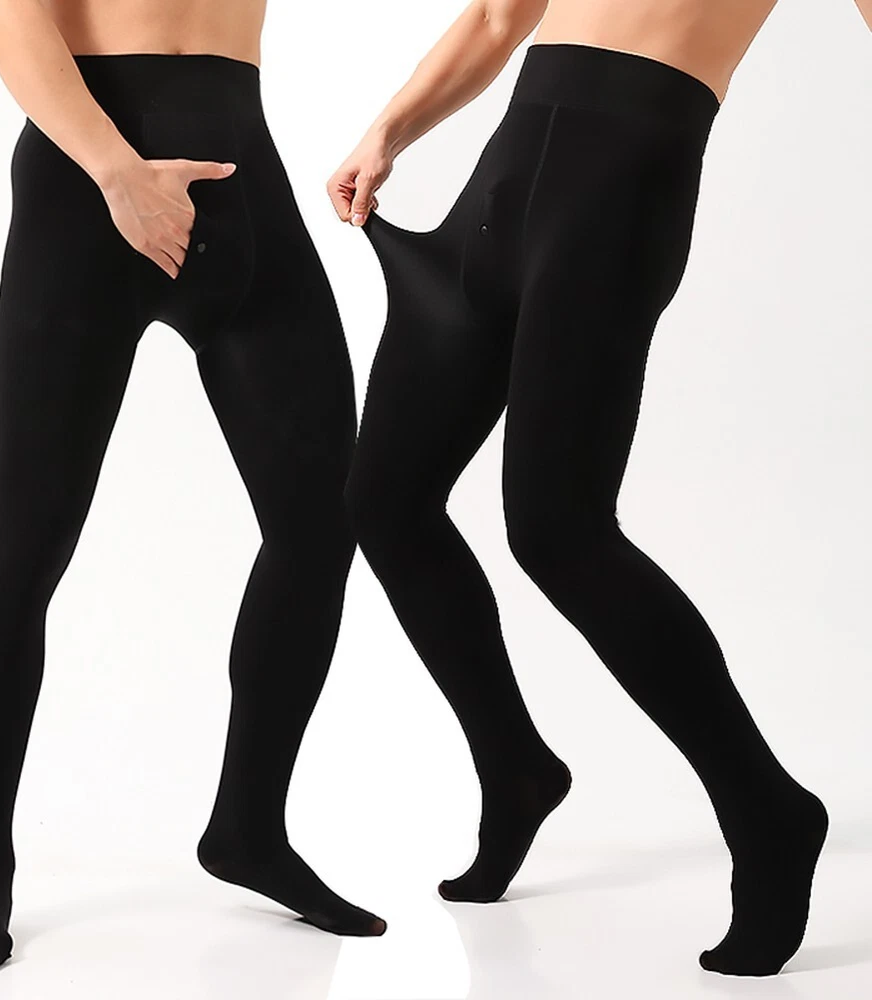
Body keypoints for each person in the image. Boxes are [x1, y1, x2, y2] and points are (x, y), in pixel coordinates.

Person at [328, 0, 867, 977]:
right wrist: (387, 132)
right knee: (385, 501)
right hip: (502, 186)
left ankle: (767, 810)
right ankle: (515, 766)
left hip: (624, 186)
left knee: (558, 527)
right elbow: (498, 17)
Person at [0, 0, 387, 978]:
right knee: (26, 542)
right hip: (90, 187)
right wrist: (117, 173)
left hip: (243, 181)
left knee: (321, 523)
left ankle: (249, 827)